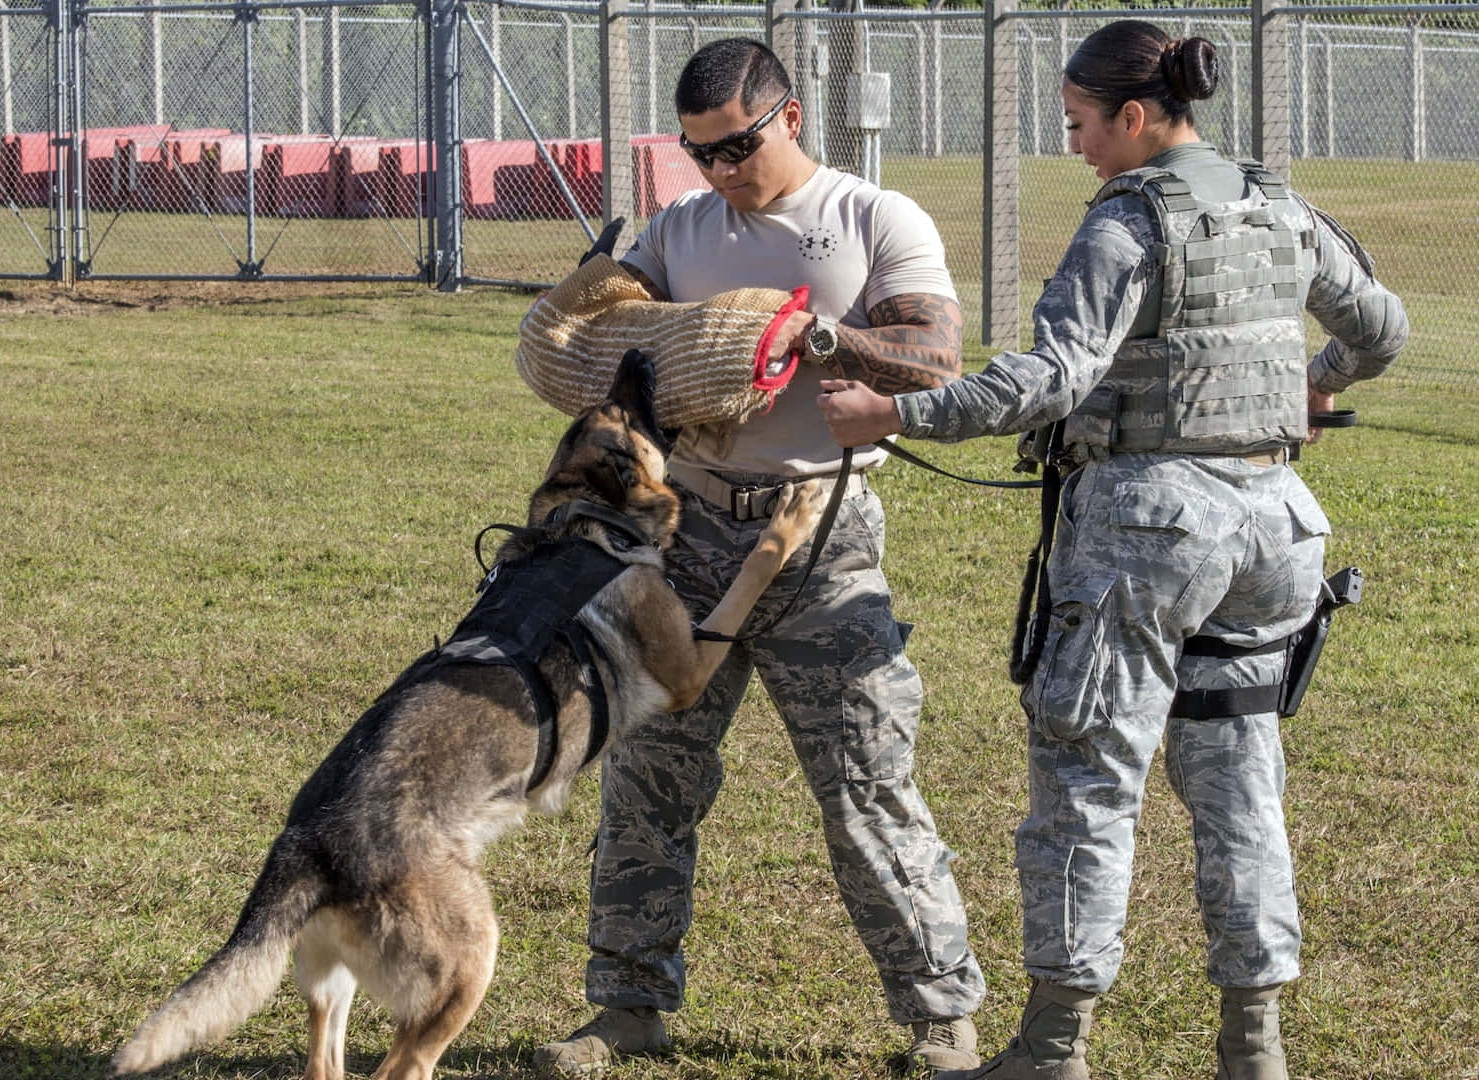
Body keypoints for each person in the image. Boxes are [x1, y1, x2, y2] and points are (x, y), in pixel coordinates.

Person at [815, 20, 1407, 1080]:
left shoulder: (1129, 225)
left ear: (1136, 116)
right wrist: (1314, 385)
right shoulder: (1276, 200)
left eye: (1082, 125)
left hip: (1150, 534)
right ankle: (1254, 1048)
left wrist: (896, 416)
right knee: (1240, 781)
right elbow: (1382, 328)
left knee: (1090, 779)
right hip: (1275, 527)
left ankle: (1052, 1047)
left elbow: (1050, 378)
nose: (1077, 145)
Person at [530, 36, 988, 1076]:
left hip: (820, 531)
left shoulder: (872, 218)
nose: (722, 171)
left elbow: (936, 356)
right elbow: (610, 337)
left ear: (788, 117)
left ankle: (939, 1016)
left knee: (866, 778)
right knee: (647, 773)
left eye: (738, 145)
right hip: (688, 532)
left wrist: (815, 339)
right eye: (701, 154)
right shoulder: (680, 229)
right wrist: (581, 315)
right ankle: (627, 1006)